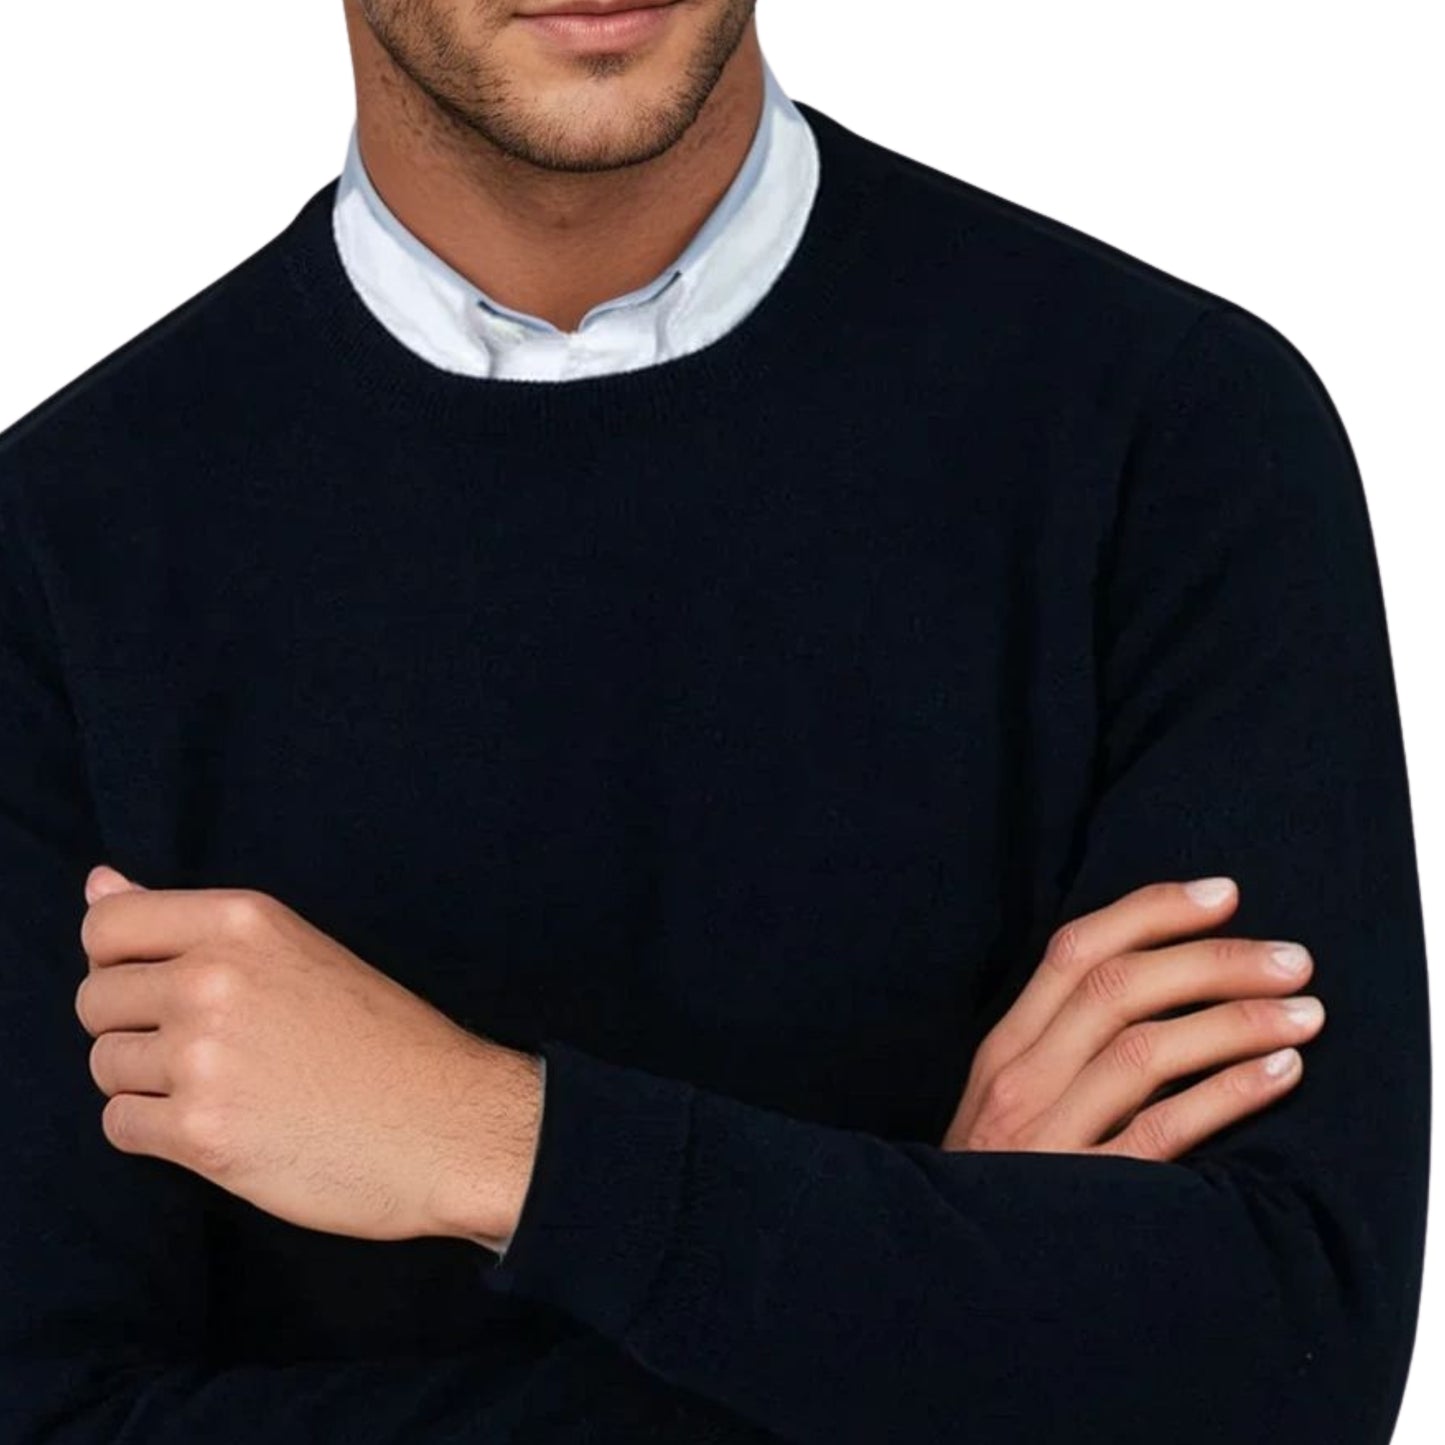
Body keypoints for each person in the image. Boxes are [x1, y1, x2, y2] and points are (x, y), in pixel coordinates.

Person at [0, 2, 1428, 1441]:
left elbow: (1282, 1379)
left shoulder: (1174, 435)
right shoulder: (56, 556)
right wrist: (942, 1301)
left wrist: (500, 1143)